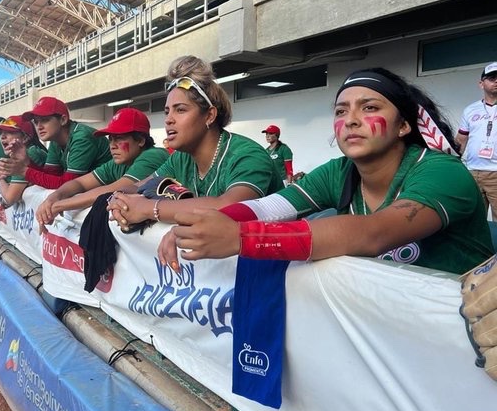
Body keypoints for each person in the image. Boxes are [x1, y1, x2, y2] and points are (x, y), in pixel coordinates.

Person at [160, 67, 494, 275]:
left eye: (370, 108)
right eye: (340, 110)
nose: (350, 119)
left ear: (404, 125)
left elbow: (373, 234)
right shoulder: (339, 171)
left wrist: (241, 238)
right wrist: (195, 226)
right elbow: (268, 207)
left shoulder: (441, 172)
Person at [107, 55, 284, 228]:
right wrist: (118, 198)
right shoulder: (181, 158)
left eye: (180, 110)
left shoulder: (247, 155)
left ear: (209, 115)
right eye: (167, 111)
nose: (169, 119)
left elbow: (231, 206)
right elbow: (138, 186)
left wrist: (149, 209)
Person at [36, 107, 169, 228]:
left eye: (119, 138)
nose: (112, 145)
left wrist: (58, 206)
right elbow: (80, 182)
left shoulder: (153, 155)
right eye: (110, 139)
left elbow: (113, 189)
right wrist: (54, 197)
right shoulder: (119, 162)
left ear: (140, 140)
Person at [0, 97, 111, 189]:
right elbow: (50, 176)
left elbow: (68, 185)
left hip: (111, 189)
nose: (39, 126)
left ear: (63, 120)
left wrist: (23, 171)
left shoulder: (81, 138)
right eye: (36, 122)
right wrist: (27, 161)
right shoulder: (55, 140)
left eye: (45, 120)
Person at [455, 62, 497, 218]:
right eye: (492, 78)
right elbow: (461, 139)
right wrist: (453, 163)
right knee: (473, 219)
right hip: (473, 173)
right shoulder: (470, 110)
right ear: (481, 84)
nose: (496, 81)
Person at [0, 115, 37, 207]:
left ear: (25, 138)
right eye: (1, 132)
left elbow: (9, 198)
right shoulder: (20, 153)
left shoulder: (31, 152)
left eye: (9, 132)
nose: (2, 136)